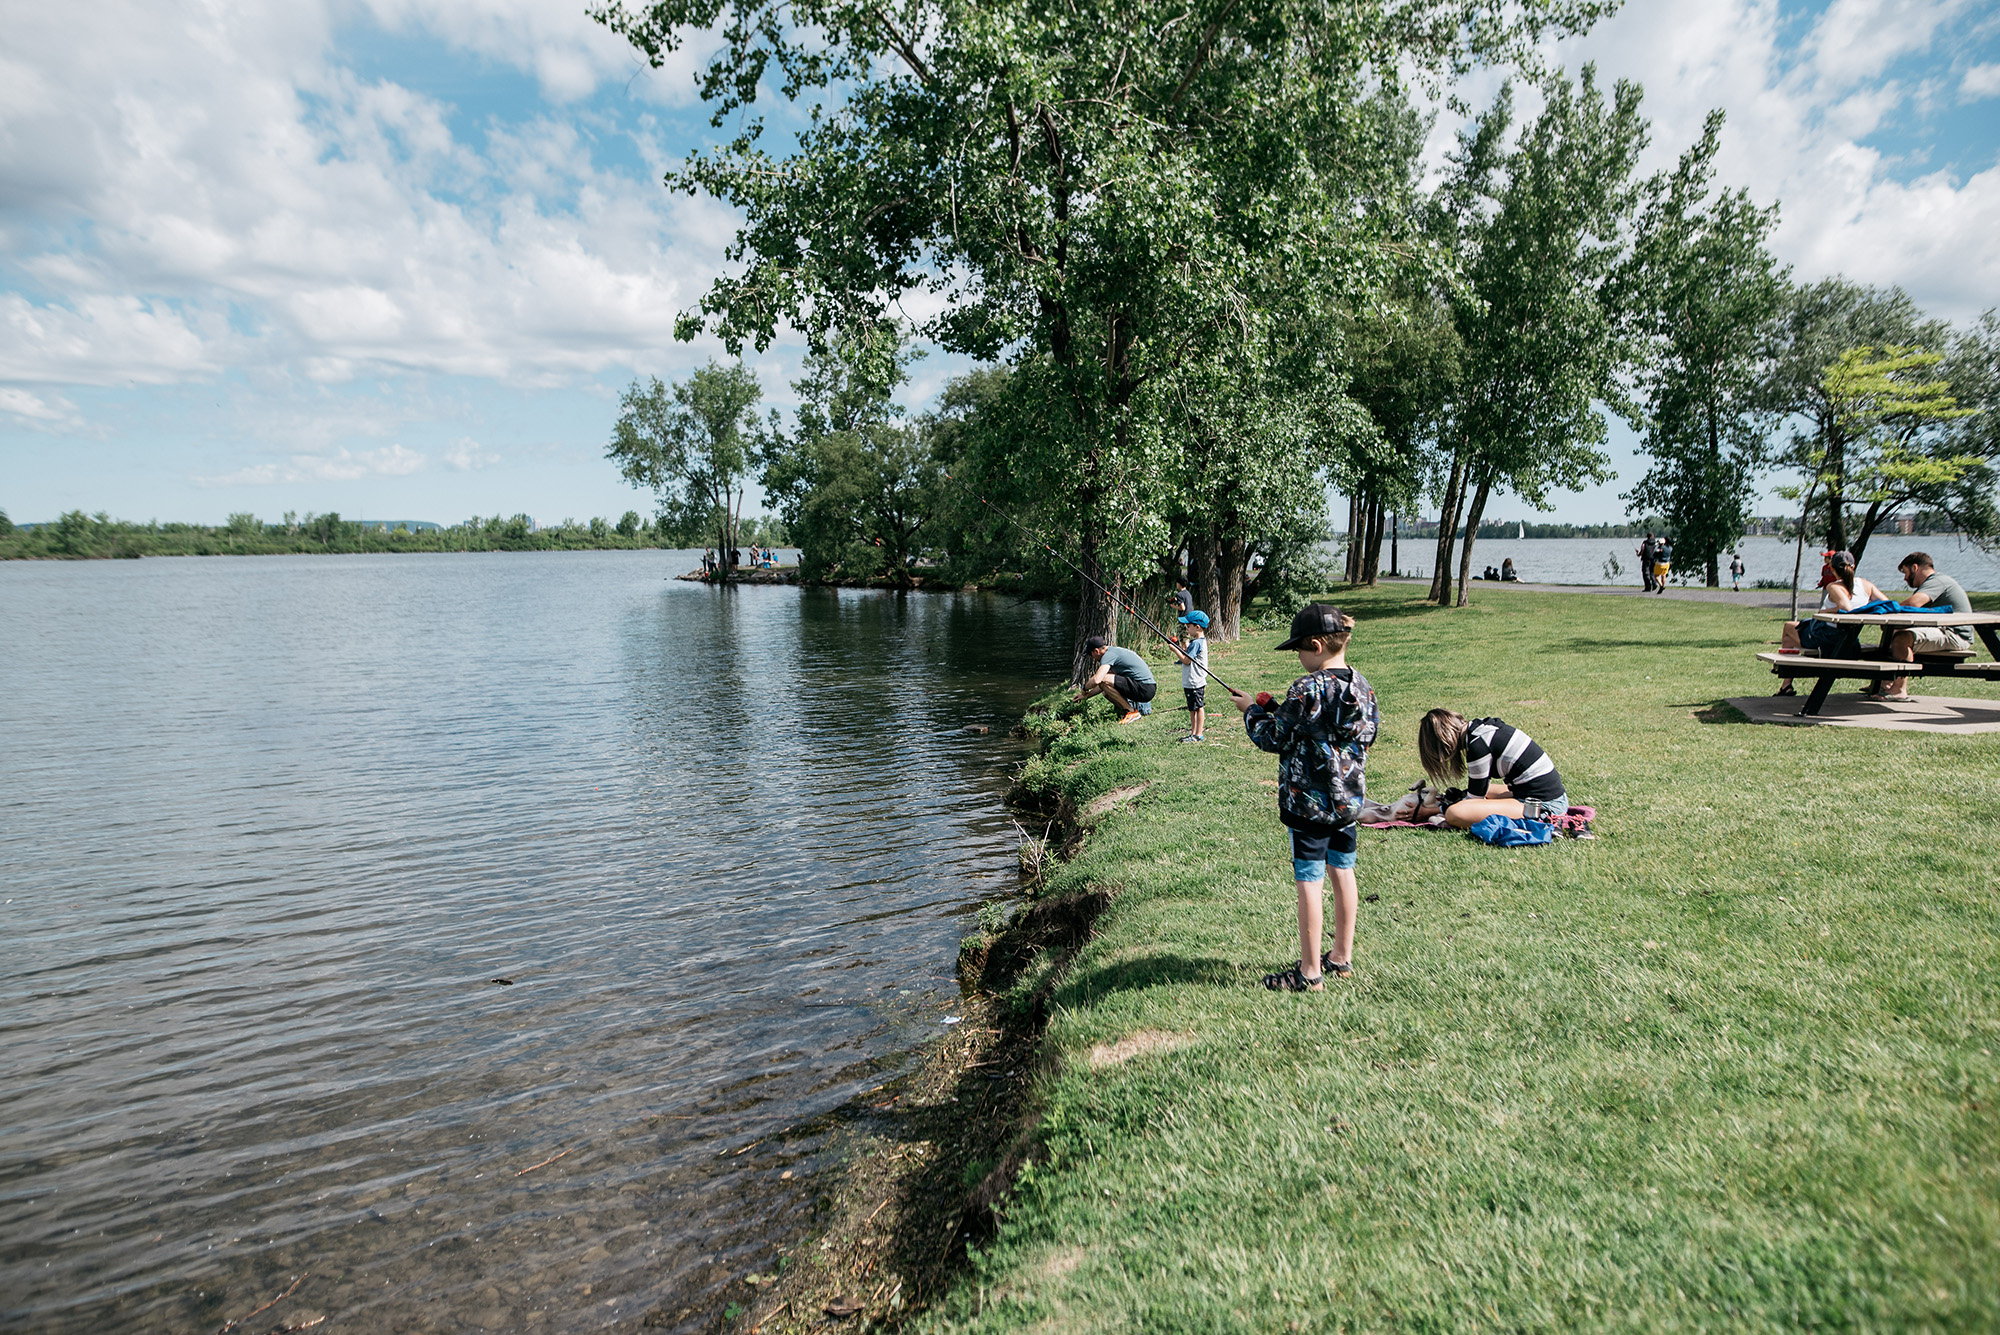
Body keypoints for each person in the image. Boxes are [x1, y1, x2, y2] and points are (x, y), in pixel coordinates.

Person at [1229, 604, 1379, 992]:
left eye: (1299, 649)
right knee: (1343, 872)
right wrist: (1274, 709)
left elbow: (1273, 737)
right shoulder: (1363, 687)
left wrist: (1250, 711)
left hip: (1308, 806)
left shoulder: (1305, 688)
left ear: (1316, 646)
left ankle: (1310, 973)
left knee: (1310, 883)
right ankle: (1341, 957)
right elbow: (1340, 731)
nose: (1298, 657)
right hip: (1347, 803)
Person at [1417, 709, 1568, 829]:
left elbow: (1474, 800)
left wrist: (1433, 811)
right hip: (1549, 796)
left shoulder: (1478, 746)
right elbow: (1478, 791)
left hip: (1542, 806)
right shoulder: (1481, 729)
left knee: (1454, 813)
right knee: (1484, 791)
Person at [1775, 550, 1882, 697]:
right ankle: (1786, 682)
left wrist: (1824, 612)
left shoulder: (1835, 586)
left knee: (1788, 627)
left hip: (1828, 640)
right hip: (1852, 642)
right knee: (1795, 629)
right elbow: (1887, 603)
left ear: (1832, 569)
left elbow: (1846, 608)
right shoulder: (1866, 585)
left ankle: (1786, 679)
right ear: (1854, 566)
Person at [1878, 551, 1973, 702]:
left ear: (1914, 568)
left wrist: (1888, 611)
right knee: (1894, 633)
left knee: (1902, 639)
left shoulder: (1937, 581)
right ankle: (1884, 683)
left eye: (1905, 572)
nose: (1904, 578)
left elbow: (1913, 604)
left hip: (1955, 634)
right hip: (1945, 631)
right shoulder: (1932, 583)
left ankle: (1899, 690)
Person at [1075, 635, 1157, 723]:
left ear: (1096, 651)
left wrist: (1084, 688)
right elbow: (1103, 684)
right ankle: (1126, 711)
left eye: (1091, 655)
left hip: (1144, 688)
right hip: (1146, 688)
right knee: (1106, 691)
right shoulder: (1114, 651)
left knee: (1103, 678)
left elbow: (1097, 680)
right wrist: (1086, 696)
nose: (1093, 658)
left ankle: (1131, 712)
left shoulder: (1108, 655)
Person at [1172, 609, 1210, 743]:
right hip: (1193, 681)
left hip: (1195, 681)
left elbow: (1186, 660)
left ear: (1197, 627)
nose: (1187, 629)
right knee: (1192, 708)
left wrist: (1174, 649)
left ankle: (1198, 734)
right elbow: (1188, 655)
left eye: (1188, 626)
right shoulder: (1198, 642)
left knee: (1198, 708)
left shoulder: (1196, 643)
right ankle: (1193, 733)